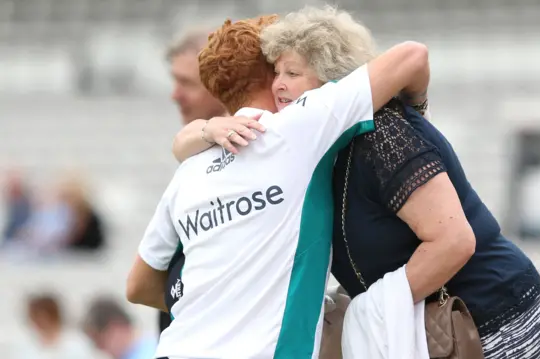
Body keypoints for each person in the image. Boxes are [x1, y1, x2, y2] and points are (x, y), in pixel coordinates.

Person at [172, 6, 540, 358]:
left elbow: (454, 242)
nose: (279, 85)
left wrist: (369, 310)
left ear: (332, 78)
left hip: (489, 319)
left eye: (293, 73)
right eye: (276, 73)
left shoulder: (382, 135)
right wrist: (207, 128)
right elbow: (181, 145)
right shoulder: (316, 145)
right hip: (435, 329)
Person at [126, 10, 431, 359]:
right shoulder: (299, 126)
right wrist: (417, 114)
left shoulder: (189, 168)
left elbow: (137, 287)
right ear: (272, 70)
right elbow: (411, 56)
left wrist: (222, 301)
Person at [159, 25, 235, 335]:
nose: (174, 95)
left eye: (185, 83)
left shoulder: (255, 159)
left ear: (222, 83)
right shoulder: (195, 157)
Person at [9, 294, 95, 359]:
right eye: (32, 316)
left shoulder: (76, 342)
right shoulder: (26, 344)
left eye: (37, 316)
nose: (34, 321)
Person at [82, 297, 157, 359]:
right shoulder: (156, 340)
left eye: (100, 341)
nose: (101, 349)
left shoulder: (155, 351)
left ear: (116, 326)